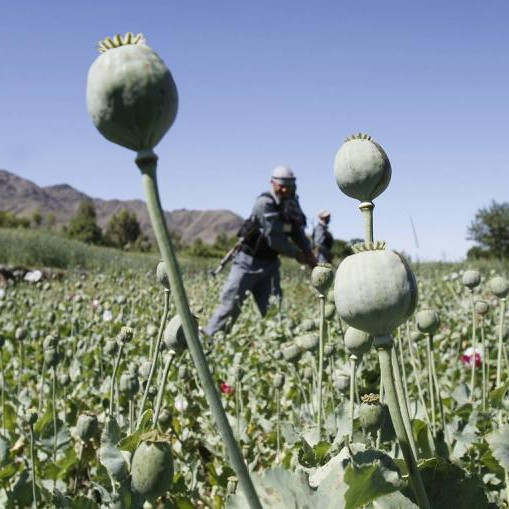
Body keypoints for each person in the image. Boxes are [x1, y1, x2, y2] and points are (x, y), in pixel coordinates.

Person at [204, 166, 317, 337]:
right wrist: (297, 254)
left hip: (270, 265)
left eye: (289, 185)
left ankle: (280, 345)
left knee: (273, 309)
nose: (285, 189)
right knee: (230, 307)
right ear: (272, 183)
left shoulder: (292, 202)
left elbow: (297, 231)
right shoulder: (264, 203)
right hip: (247, 263)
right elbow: (275, 238)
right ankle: (210, 340)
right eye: (281, 185)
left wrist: (309, 253)